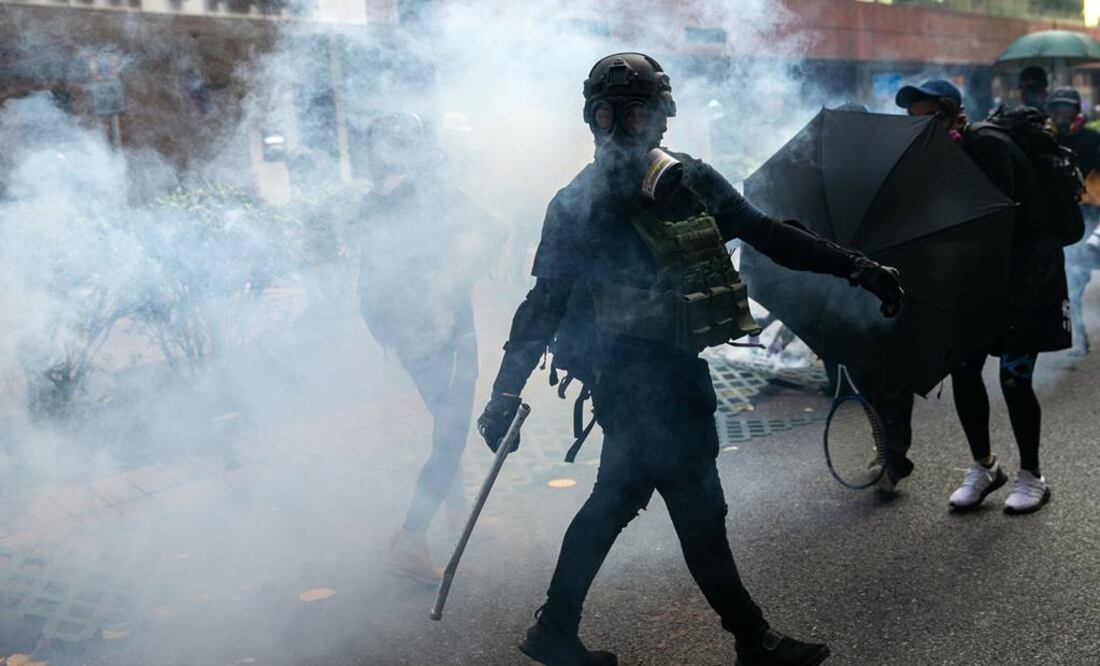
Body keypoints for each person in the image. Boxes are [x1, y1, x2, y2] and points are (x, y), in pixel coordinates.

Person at [477, 53, 904, 666]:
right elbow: (542, 305)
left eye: (642, 114)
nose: (634, 130)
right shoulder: (576, 204)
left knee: (616, 501)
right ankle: (752, 640)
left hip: (670, 375)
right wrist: (503, 391)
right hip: (631, 383)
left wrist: (856, 267)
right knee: (696, 504)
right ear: (598, 119)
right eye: (619, 116)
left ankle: (556, 630)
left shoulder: (691, 181)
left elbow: (769, 235)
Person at [897, 79, 1070, 514]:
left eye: (930, 118)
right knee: (963, 368)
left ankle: (1032, 475)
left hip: (1027, 273)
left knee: (1014, 377)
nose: (922, 129)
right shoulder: (938, 157)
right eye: (914, 121)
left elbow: (994, 221)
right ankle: (984, 466)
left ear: (954, 114)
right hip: (981, 275)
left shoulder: (988, 145)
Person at [358, 112, 495, 584]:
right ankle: (410, 539)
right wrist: (460, 275)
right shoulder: (426, 191)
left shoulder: (374, 201)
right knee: (451, 433)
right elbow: (491, 228)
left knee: (446, 427)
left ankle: (456, 518)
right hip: (444, 330)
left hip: (415, 333)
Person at [1049, 86, 1100, 355]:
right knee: (1067, 278)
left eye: (1066, 108)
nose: (1061, 113)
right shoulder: (1048, 139)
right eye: (1056, 108)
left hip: (1089, 215)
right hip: (1061, 216)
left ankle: (1078, 337)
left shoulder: (1092, 139)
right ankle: (1076, 337)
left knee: (1076, 277)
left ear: (1076, 110)